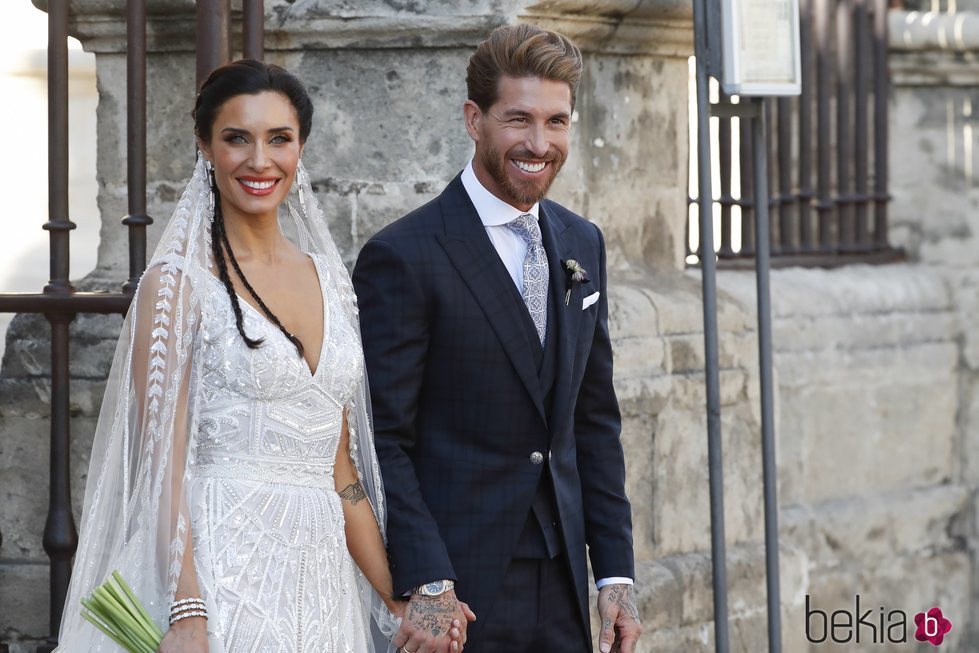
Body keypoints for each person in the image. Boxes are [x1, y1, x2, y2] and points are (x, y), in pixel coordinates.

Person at [54, 60, 469, 653]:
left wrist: (395, 596)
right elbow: (160, 469)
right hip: (219, 575)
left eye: (280, 139)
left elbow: (341, 471)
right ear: (205, 146)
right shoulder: (178, 284)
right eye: (237, 138)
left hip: (319, 585)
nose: (259, 160)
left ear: (300, 147)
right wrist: (188, 608)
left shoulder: (329, 279)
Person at [353, 24, 642, 653]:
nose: (539, 144)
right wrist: (427, 579)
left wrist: (615, 573)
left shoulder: (582, 242)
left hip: (564, 579)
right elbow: (384, 440)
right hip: (456, 592)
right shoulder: (403, 255)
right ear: (473, 119)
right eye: (518, 120)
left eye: (557, 122)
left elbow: (593, 420)